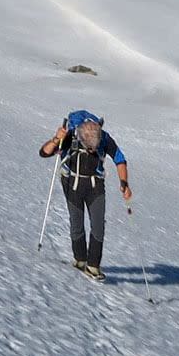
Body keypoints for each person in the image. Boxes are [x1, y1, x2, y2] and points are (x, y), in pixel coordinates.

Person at [39, 109, 130, 277]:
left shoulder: (104, 138)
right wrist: (57, 139)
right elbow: (44, 153)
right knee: (77, 222)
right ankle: (80, 259)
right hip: (72, 183)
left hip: (95, 185)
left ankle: (93, 266)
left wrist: (124, 183)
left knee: (98, 225)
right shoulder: (71, 135)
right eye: (90, 148)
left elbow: (119, 158)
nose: (93, 151)